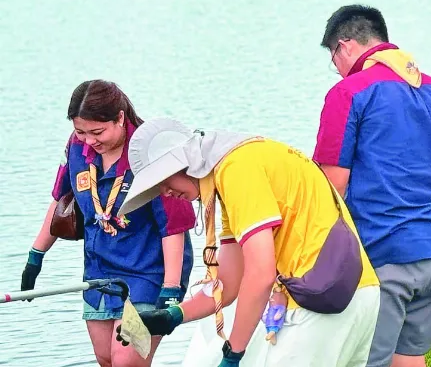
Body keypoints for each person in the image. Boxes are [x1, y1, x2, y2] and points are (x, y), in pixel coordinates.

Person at [114, 119, 381, 367]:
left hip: (318, 303)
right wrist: (173, 316)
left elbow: (261, 274)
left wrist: (234, 354)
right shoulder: (239, 165)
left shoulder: (236, 169)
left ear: (182, 163)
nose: (165, 192)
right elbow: (228, 285)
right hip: (358, 294)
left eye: (162, 181)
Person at [313, 5, 431, 367]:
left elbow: (331, 185)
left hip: (382, 254)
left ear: (344, 47)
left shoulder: (348, 93)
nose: (337, 69)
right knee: (410, 358)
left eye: (333, 58)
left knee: (364, 360)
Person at [20, 80, 193, 367]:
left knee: (127, 361)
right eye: (80, 131)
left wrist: (171, 291)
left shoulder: (152, 152)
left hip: (148, 273)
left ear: (120, 118)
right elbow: (61, 200)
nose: (89, 141)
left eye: (97, 132)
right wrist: (35, 257)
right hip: (100, 270)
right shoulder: (77, 148)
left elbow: (174, 227)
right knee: (106, 359)